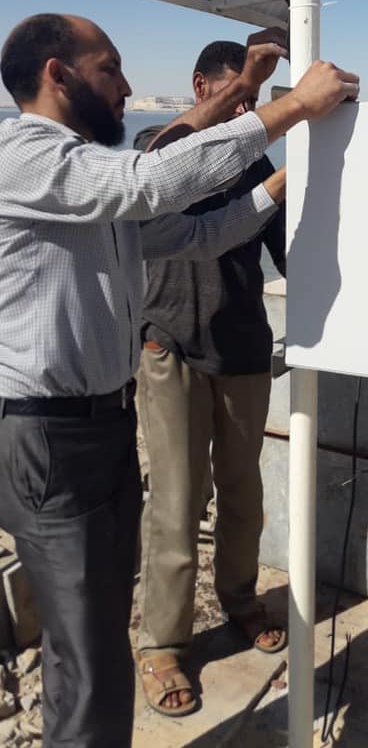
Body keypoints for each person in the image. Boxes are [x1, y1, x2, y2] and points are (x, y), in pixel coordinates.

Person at [0, 13, 359, 748]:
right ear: (57, 75)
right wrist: (291, 107)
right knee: (90, 652)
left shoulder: (84, 177)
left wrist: (281, 179)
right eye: (110, 67)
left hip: (99, 423)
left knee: (94, 629)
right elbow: (152, 177)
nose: (127, 85)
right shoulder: (25, 156)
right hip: (48, 434)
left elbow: (197, 233)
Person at [133, 35, 288, 716]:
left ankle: (240, 600)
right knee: (175, 500)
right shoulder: (160, 150)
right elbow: (156, 171)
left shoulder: (257, 165)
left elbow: (292, 252)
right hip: (170, 346)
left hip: (244, 350)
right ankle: (162, 643)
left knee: (243, 494)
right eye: (237, 98)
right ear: (203, 89)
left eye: (254, 106)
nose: (247, 117)